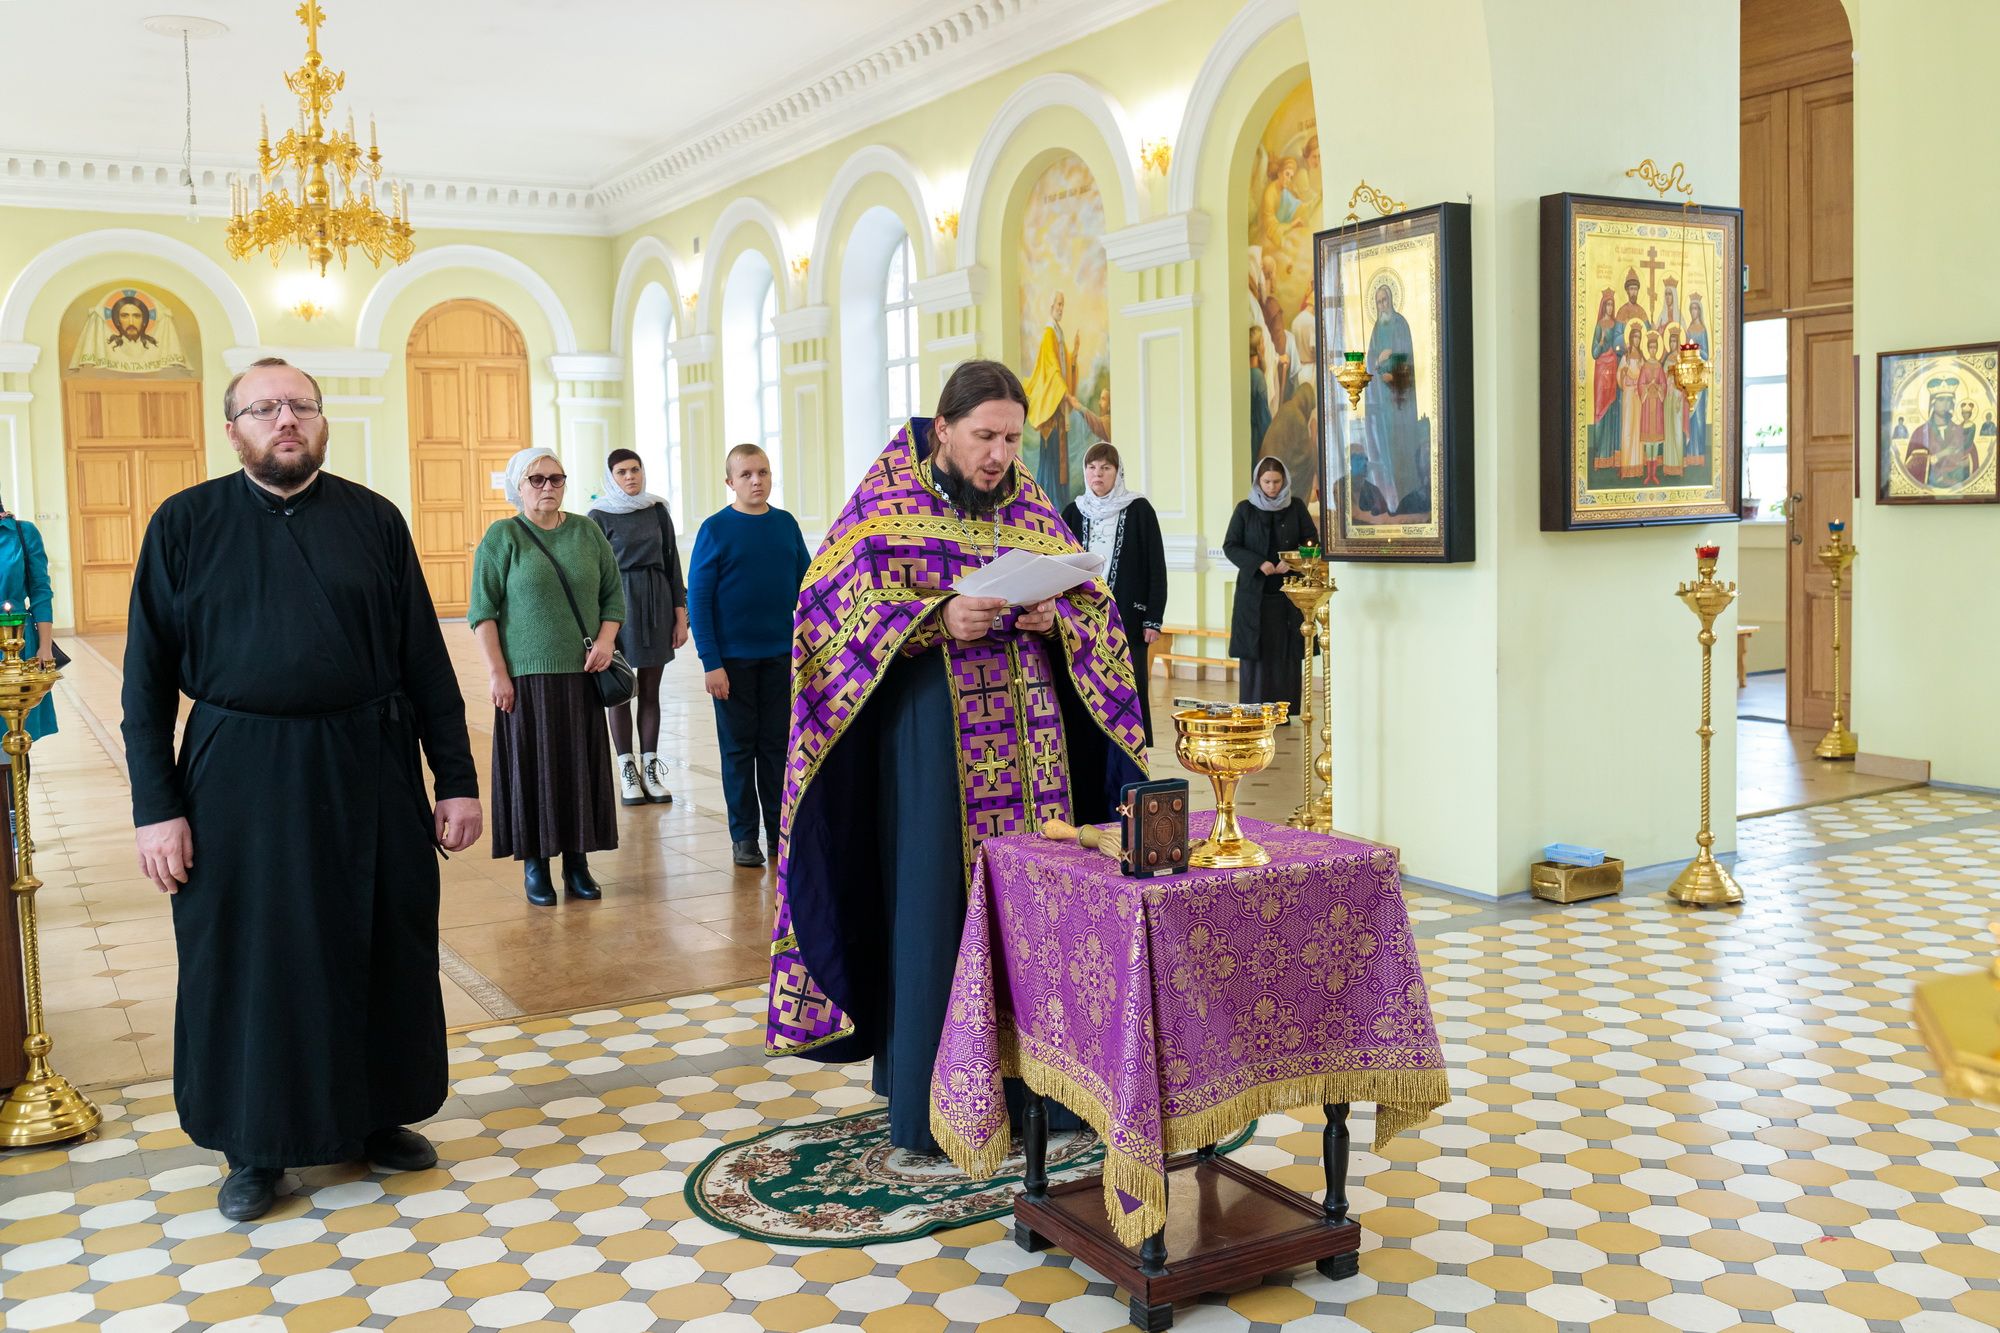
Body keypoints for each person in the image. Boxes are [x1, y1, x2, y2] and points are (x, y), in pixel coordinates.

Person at [123, 356, 481, 1222]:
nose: (286, 420)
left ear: (322, 422)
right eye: (265, 408)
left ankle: (377, 1114)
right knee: (251, 959)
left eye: (301, 407)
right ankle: (255, 1144)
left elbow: (425, 663)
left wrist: (458, 777)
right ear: (233, 427)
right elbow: (144, 684)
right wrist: (155, 807)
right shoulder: (184, 524)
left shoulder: (375, 519)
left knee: (381, 941)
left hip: (371, 763)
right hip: (237, 777)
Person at [765, 360, 1146, 1155]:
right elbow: (826, 603)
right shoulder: (886, 498)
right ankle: (939, 1102)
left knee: (1039, 904)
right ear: (943, 429)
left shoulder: (1033, 503)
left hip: (1037, 752)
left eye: (1012, 438)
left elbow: (1095, 606)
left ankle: (1047, 1090)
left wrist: (1058, 618)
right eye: (985, 436)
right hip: (936, 753)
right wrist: (935, 617)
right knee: (941, 901)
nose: (1000, 455)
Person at [469, 446, 625, 906]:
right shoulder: (503, 537)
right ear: (518, 487)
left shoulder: (587, 532)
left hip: (581, 675)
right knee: (531, 769)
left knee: (578, 768)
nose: (548, 488)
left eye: (556, 479)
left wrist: (607, 640)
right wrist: (499, 675)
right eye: (537, 480)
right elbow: (483, 612)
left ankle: (577, 862)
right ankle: (536, 866)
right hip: (526, 681)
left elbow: (613, 596)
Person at [685, 444, 810, 869]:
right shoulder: (716, 529)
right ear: (730, 483)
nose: (756, 481)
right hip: (732, 663)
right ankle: (743, 838)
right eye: (746, 475)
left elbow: (806, 588)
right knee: (739, 752)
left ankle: (779, 834)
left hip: (778, 657)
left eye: (763, 472)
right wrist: (710, 662)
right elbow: (699, 601)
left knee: (776, 749)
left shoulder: (786, 525)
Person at [588, 449, 686, 806]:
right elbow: (593, 574)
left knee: (650, 690)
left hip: (657, 601)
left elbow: (673, 565)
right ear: (609, 477)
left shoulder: (658, 510)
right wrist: (598, 629)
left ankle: (650, 769)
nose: (630, 477)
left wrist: (680, 615)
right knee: (618, 689)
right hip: (617, 605)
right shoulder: (598, 516)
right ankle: (627, 771)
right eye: (621, 472)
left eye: (635, 469)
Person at [1062, 442, 1168, 743]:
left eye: (1106, 468)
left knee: (1129, 683)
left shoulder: (1139, 510)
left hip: (1129, 617)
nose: (1098, 474)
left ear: (1117, 473)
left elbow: (1155, 566)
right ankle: (1092, 739)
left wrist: (1153, 618)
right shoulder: (1073, 511)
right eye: (1092, 467)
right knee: (1089, 678)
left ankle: (1132, 741)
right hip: (1081, 619)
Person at [1224, 456, 1317, 713]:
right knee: (1256, 654)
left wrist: (1294, 561)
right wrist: (1258, 563)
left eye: (1277, 481)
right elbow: (1231, 545)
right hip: (1254, 596)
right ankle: (1255, 710)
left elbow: (1311, 543)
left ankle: (1283, 710)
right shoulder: (1245, 509)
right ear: (1258, 481)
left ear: (1284, 480)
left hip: (1288, 596)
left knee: (1285, 653)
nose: (1272, 487)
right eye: (1267, 482)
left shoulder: (1296, 507)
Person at [0, 493, 57, 746]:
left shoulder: (22, 533)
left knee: (14, 737)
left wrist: (45, 648)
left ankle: (16, 786)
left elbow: (40, 592)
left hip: (17, 644)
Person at [1361, 283, 1419, 514]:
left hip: (1400, 399)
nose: (1382, 305)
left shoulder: (1400, 324)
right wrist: (1377, 366)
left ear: (1392, 300)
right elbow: (1371, 361)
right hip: (1383, 402)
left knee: (1402, 446)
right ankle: (1390, 497)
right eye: (1378, 302)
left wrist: (1392, 372)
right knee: (1385, 448)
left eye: (1384, 300)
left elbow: (1407, 359)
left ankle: (1408, 496)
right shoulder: (1377, 327)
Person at [1023, 291, 1079, 506]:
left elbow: (1064, 367)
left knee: (1060, 460)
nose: (1061, 308)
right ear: (1050, 306)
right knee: (1052, 460)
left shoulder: (1059, 333)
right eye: (1058, 304)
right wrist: (1064, 393)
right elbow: (1053, 368)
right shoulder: (1049, 334)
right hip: (1052, 407)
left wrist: (1073, 357)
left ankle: (1060, 503)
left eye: (1063, 304)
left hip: (1058, 407)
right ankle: (1050, 503)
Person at [1588, 290, 1624, 471]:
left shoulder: (1617, 324)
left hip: (1614, 368)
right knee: (1601, 412)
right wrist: (1601, 343)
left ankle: (1610, 457)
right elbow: (1594, 353)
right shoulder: (1599, 326)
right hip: (1602, 373)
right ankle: (1598, 457)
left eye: (1612, 304)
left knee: (1613, 414)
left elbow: (1620, 345)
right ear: (1603, 306)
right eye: (1607, 304)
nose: (1610, 308)